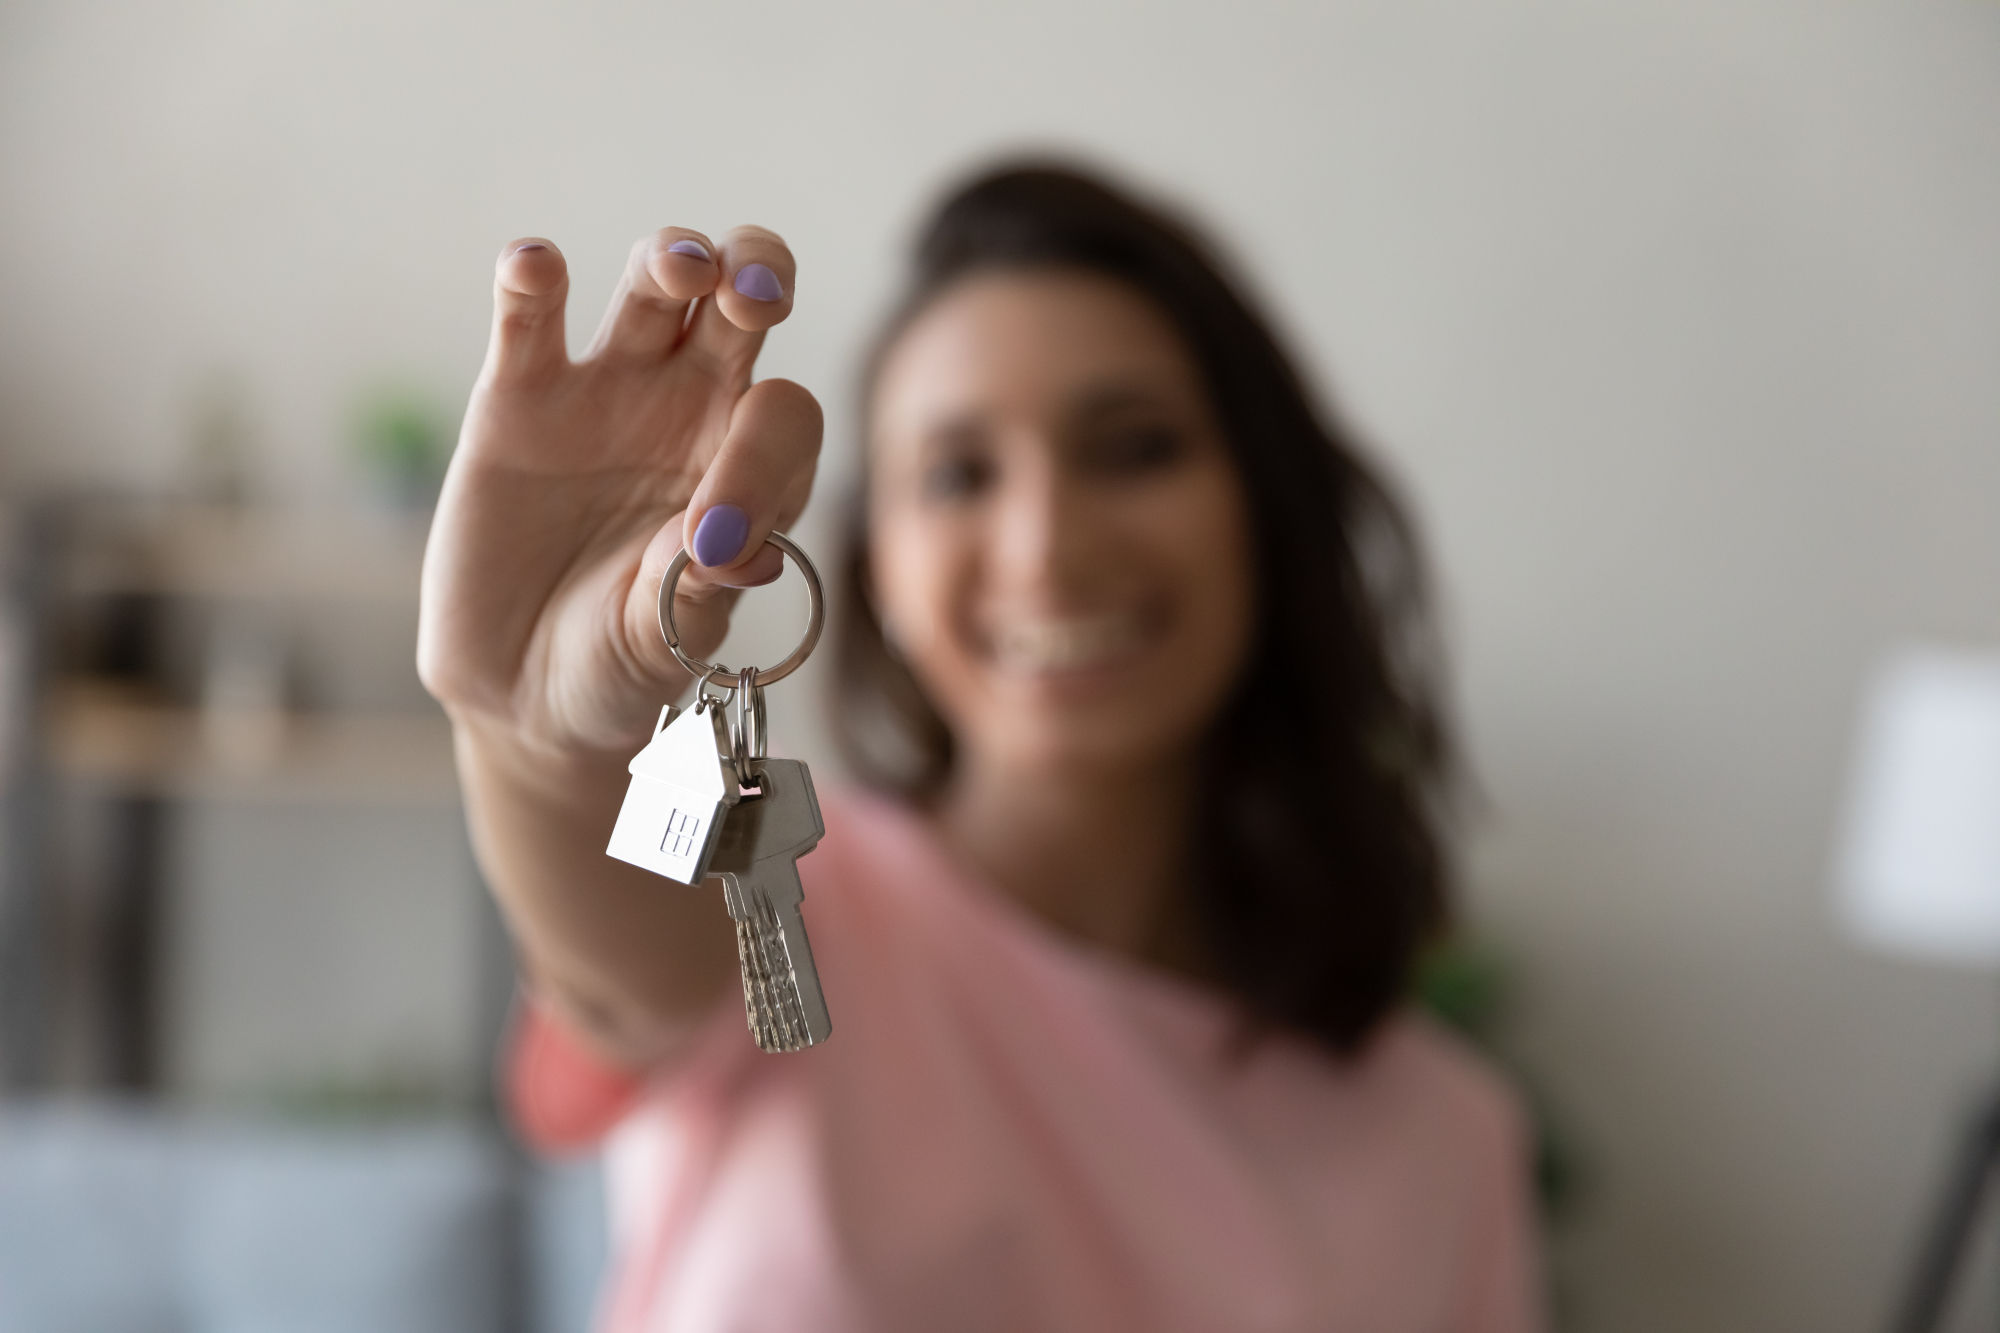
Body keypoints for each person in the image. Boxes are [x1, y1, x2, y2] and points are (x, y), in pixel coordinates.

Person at [418, 164, 1544, 1332]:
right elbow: (614, 974)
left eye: (1134, 448)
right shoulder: (776, 904)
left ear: (1264, 506)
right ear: (879, 574)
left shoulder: (1448, 1143)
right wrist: (529, 735)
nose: (1045, 545)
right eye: (957, 474)